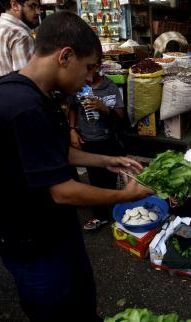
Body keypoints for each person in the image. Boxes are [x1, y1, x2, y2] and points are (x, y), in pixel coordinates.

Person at [0, 11, 153, 322]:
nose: (89, 78)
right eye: (88, 68)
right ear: (65, 56)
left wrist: (107, 160)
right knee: (58, 311)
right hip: (32, 241)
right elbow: (62, 192)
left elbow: (54, 153)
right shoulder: (25, 107)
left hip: (51, 231)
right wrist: (126, 196)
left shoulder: (19, 90)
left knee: (80, 299)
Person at [69, 62, 126, 231]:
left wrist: (103, 108)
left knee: (109, 178)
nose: (86, 74)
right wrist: (72, 130)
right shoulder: (79, 85)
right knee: (94, 178)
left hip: (108, 139)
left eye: (89, 69)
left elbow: (121, 115)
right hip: (88, 141)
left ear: (97, 68)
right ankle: (100, 216)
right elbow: (72, 108)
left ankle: (113, 209)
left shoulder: (110, 86)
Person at [0, 0, 40, 80]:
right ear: (14, 5)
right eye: (32, 6)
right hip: (16, 92)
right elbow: (27, 79)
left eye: (38, 7)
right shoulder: (20, 34)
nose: (38, 12)